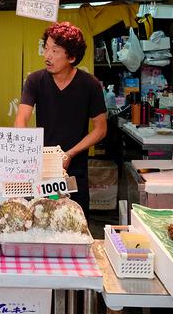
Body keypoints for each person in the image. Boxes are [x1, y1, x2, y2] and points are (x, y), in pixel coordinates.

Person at [14, 22, 107, 213]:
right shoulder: (35, 81)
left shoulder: (90, 85)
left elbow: (100, 129)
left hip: (74, 169)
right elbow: (21, 119)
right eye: (46, 48)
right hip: (41, 167)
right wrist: (29, 150)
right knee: (39, 219)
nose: (47, 56)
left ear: (71, 57)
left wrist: (70, 153)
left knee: (75, 223)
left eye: (55, 51)